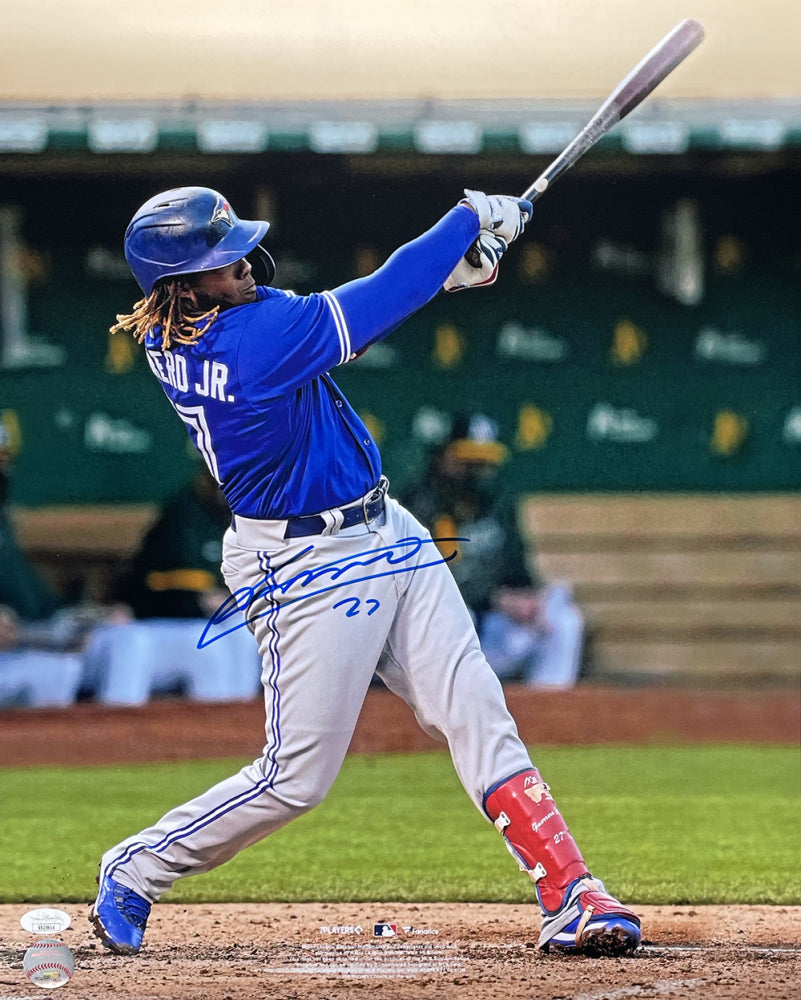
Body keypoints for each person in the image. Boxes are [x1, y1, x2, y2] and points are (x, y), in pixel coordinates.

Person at [90, 185, 640, 957]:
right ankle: (138, 866)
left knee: (473, 706)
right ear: (180, 286)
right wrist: (467, 219)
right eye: (221, 259)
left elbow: (354, 308)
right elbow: (373, 300)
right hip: (308, 564)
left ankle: (570, 890)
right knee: (296, 778)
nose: (243, 262)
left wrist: (449, 270)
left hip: (384, 528)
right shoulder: (249, 342)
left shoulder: (192, 329)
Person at [402, 411, 585, 689]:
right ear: (445, 457)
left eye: (484, 462)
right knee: (456, 614)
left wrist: (530, 600)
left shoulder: (497, 503)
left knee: (564, 619)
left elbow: (517, 569)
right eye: (469, 461)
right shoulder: (420, 506)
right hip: (444, 641)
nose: (478, 471)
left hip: (493, 631)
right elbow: (425, 588)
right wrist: (497, 599)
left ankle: (549, 708)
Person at [80, 465, 261, 705]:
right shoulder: (185, 515)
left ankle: (235, 723)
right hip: (159, 622)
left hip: (195, 626)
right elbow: (161, 590)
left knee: (239, 631)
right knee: (217, 639)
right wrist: (207, 600)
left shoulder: (255, 515)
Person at [0, 424, 87, 707]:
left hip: (16, 647)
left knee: (62, 667)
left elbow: (30, 599)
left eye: (4, 458)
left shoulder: (3, 523)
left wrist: (69, 619)